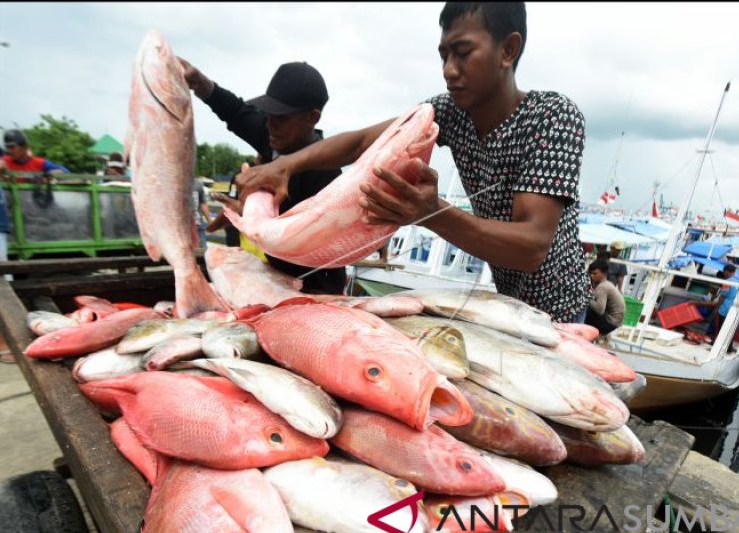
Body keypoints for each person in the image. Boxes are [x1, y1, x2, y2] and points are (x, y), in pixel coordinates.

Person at [232, 2, 589, 322]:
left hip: (561, 313)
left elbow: (532, 246)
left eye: (463, 53)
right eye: (444, 55)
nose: (449, 70)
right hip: (507, 305)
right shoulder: (451, 112)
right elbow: (361, 141)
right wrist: (285, 166)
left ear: (508, 49)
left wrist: (430, 211)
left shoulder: (552, 117)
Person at [179, 58, 346, 294]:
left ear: (312, 118)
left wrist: (244, 215)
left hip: (317, 287)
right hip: (273, 277)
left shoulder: (328, 175)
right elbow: (235, 111)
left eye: (281, 117)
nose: (270, 124)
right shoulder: (274, 136)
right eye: (268, 115)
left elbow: (315, 242)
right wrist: (198, 81)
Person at [0, 130, 70, 182]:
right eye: (7, 147)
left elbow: (65, 172)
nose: (9, 150)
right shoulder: (4, 161)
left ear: (24, 147)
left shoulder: (39, 162)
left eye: (12, 147)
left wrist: (47, 175)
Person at [692, 264, 739, 339]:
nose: (724, 274)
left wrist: (717, 309)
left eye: (724, 272)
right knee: (726, 329)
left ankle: (714, 340)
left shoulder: (727, 282)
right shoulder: (738, 281)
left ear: (726, 272)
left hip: (724, 308)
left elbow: (722, 297)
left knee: (719, 328)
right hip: (733, 309)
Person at [585, 259, 625, 335]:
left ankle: (585, 334)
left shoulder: (602, 287)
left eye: (595, 273)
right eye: (591, 273)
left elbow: (600, 310)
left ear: (604, 274)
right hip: (615, 322)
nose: (592, 276)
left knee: (586, 308)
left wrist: (587, 297)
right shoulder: (608, 284)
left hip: (610, 323)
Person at [192, 177, 212, 250]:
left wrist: (210, 221)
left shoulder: (198, 183)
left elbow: (203, 204)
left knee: (203, 251)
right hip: (181, 227)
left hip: (197, 224)